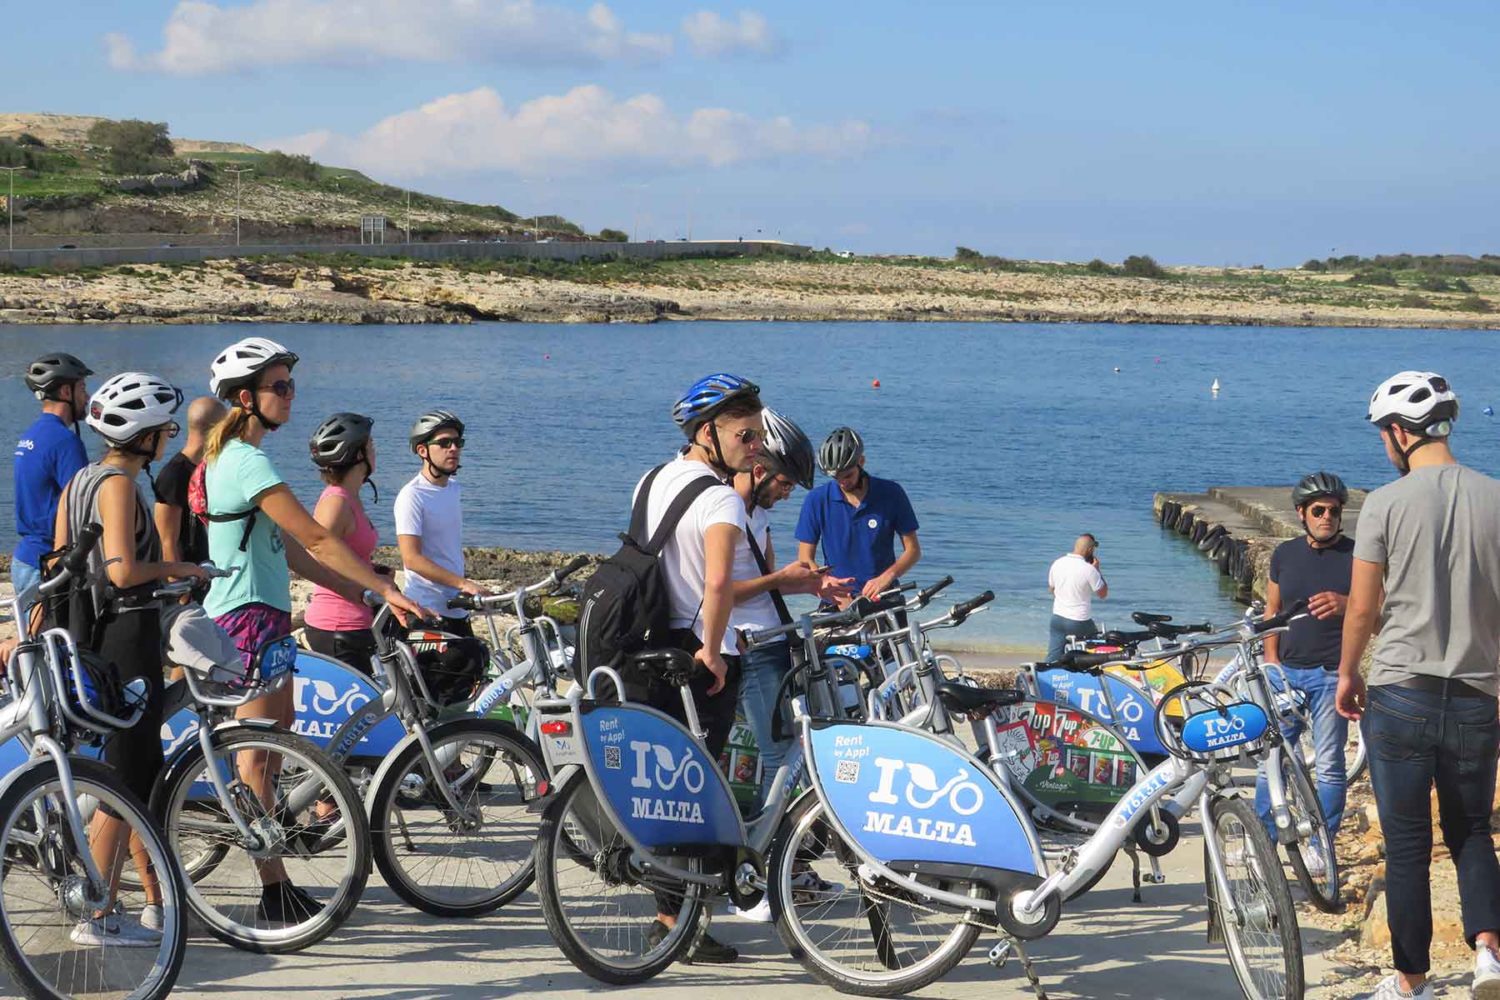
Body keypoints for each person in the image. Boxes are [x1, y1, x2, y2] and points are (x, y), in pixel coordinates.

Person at [202, 336, 424, 924]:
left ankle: (274, 868)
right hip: (245, 614)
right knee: (257, 754)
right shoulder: (245, 460)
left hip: (266, 611)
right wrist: (384, 587)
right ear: (245, 398)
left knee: (281, 739)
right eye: (280, 387)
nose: (290, 395)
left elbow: (289, 552)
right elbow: (319, 537)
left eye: (291, 384)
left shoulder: (240, 457)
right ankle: (272, 885)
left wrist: (357, 590)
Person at [1335, 371, 1500, 1000]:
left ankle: (1410, 980)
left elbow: (1360, 608)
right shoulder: (1495, 498)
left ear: (1401, 433)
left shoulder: (1384, 503)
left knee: (1406, 845)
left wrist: (1349, 673)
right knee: (1472, 830)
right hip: (1476, 694)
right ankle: (1489, 953)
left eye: (1384, 433)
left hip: (1401, 689)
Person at [52, 372, 209, 946]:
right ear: (144, 436)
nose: (168, 437)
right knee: (125, 778)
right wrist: (182, 569)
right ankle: (96, 914)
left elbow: (60, 566)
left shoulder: (80, 480)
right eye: (164, 429)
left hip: (89, 639)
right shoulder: (119, 484)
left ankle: (148, 903)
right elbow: (120, 571)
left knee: (135, 774)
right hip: (125, 639)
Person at [636, 372, 766, 963]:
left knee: (666, 789)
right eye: (746, 432)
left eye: (759, 432)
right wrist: (712, 650)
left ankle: (669, 917)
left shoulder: (652, 479)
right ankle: (681, 924)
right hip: (700, 658)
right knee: (699, 793)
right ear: (708, 431)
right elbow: (718, 581)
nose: (756, 443)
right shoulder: (719, 497)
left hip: (650, 649)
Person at [729, 410, 851, 810]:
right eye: (785, 484)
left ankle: (774, 847)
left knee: (785, 747)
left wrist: (815, 583)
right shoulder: (724, 511)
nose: (787, 494)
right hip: (750, 645)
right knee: (778, 755)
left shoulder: (757, 515)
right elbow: (719, 592)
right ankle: (771, 851)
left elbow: (770, 583)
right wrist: (782, 575)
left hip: (772, 639)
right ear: (759, 469)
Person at [1255, 472, 1353, 855]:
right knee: (1273, 760)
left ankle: (1321, 847)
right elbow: (1272, 611)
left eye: (1333, 510)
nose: (1326, 516)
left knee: (1329, 764)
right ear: (1301, 513)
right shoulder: (1285, 555)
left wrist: (1346, 605)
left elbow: (1375, 611)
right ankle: (1260, 841)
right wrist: (1270, 660)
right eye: (1318, 510)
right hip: (1285, 673)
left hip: (1332, 675)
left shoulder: (1356, 557)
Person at [795, 426, 921, 604]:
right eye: (836, 477)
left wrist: (886, 578)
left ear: (861, 462)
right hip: (836, 600)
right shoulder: (816, 500)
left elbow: (913, 551)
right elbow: (805, 558)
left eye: (848, 475)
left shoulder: (891, 493)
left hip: (884, 596)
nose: (843, 482)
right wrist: (825, 582)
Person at [394, 410, 492, 637]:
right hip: (428, 611)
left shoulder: (453, 489)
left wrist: (461, 587)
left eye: (458, 442)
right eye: (444, 443)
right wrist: (464, 584)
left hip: (457, 608)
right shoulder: (412, 496)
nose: (454, 448)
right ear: (422, 450)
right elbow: (412, 559)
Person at [302, 412, 382, 672]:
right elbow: (316, 554)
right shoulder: (336, 502)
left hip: (359, 621)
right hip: (338, 626)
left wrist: (374, 572)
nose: (375, 449)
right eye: (370, 445)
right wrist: (362, 583)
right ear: (357, 455)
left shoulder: (351, 498)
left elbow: (346, 554)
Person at [12, 352, 92, 600]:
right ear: (66, 393)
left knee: (32, 637)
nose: (87, 397)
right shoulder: (65, 441)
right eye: (82, 388)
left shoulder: (31, 434)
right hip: (48, 562)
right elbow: (81, 507)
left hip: (25, 557)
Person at [152, 395, 225, 568]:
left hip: (206, 570)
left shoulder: (207, 467)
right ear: (217, 430)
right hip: (188, 578)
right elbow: (167, 541)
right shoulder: (174, 474)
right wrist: (180, 589)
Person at [1045, 534, 1107, 661]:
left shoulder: (1057, 563)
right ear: (1090, 550)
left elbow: (1052, 589)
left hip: (1058, 618)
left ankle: (1047, 674)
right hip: (1079, 620)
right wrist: (1097, 570)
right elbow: (1103, 594)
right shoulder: (1089, 569)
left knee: (1054, 655)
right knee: (1097, 647)